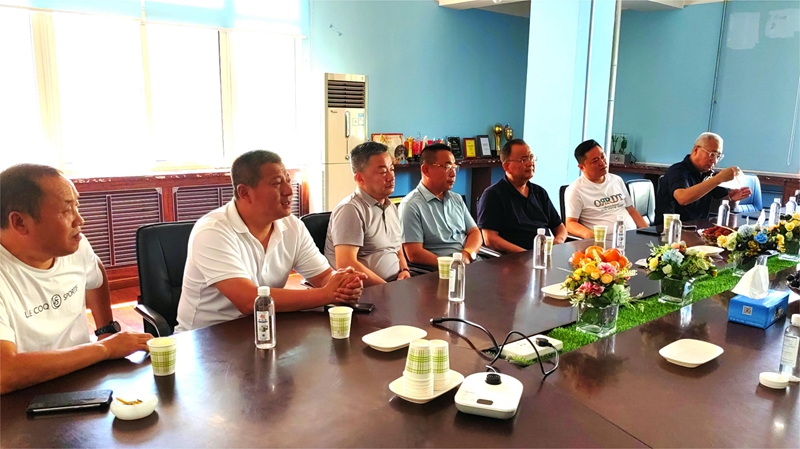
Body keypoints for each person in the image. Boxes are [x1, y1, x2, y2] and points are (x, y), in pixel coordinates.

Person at [0, 164, 152, 394]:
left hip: (83, 376)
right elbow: (5, 373)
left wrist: (106, 329)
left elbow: (94, 272)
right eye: (66, 211)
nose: (79, 220)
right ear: (20, 222)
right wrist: (105, 348)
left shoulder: (75, 246)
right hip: (23, 394)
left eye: (76, 206)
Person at [176, 151, 366, 332]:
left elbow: (323, 276)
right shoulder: (212, 231)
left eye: (288, 181)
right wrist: (326, 294)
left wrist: (344, 286)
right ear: (244, 192)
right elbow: (248, 300)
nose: (289, 191)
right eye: (276, 183)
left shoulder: (292, 226)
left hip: (264, 329)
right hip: (205, 339)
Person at [325, 141, 411, 286]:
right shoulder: (350, 209)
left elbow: (397, 248)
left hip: (395, 285)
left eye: (391, 169)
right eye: (382, 172)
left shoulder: (391, 206)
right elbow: (345, 263)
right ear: (360, 178)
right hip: (367, 290)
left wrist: (405, 270)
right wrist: (387, 288)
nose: (391, 177)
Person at [398, 144, 483, 266]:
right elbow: (414, 253)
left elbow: (474, 232)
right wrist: (452, 265)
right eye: (447, 167)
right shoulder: (411, 205)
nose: (453, 174)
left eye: (454, 167)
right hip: (441, 270)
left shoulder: (456, 199)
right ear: (426, 170)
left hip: (471, 263)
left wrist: (468, 253)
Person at [477, 139, 568, 253]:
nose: (530, 163)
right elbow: (490, 239)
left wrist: (558, 241)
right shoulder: (493, 195)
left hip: (545, 254)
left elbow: (559, 226)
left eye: (531, 157)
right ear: (507, 166)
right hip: (514, 259)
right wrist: (525, 255)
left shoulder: (540, 192)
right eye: (523, 159)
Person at [654, 132, 752, 224]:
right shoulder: (678, 170)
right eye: (712, 154)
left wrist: (732, 199)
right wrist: (718, 179)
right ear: (696, 150)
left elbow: (723, 204)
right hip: (670, 229)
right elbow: (682, 198)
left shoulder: (707, 175)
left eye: (718, 156)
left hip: (698, 228)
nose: (714, 161)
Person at [564, 139, 648, 239]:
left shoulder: (617, 180)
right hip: (604, 241)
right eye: (595, 161)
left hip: (632, 237)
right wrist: (590, 236)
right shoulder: (575, 190)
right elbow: (570, 223)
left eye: (602, 157)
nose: (602, 162)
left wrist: (648, 232)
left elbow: (630, 210)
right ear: (582, 167)